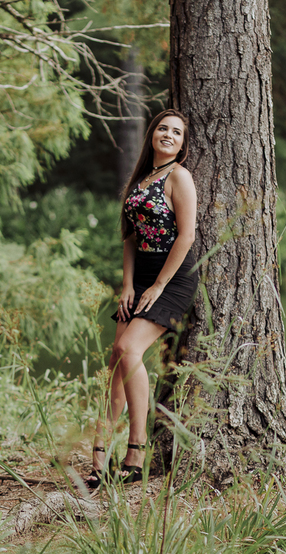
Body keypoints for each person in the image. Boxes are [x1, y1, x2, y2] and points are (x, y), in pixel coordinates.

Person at [87, 109, 199, 490]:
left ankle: (137, 449)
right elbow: (131, 237)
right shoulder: (141, 180)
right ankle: (100, 454)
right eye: (163, 128)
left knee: (128, 349)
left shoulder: (179, 177)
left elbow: (186, 236)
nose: (169, 135)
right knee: (117, 359)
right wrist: (129, 285)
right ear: (152, 133)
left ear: (182, 145)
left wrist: (158, 286)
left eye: (177, 133)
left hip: (173, 278)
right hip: (141, 277)